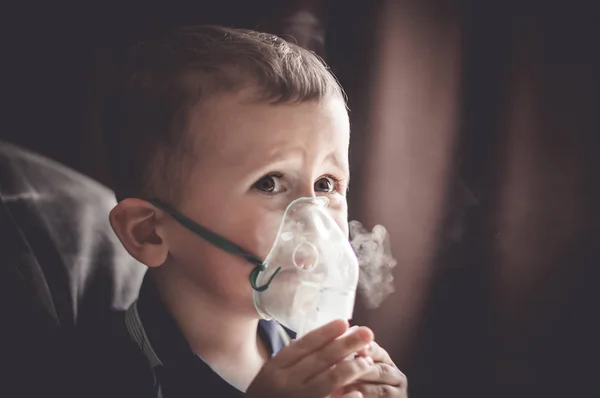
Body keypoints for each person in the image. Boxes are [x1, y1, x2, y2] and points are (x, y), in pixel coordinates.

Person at [78, 25, 407, 398]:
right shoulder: (109, 376)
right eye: (269, 183)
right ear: (149, 232)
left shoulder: (297, 350)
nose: (313, 219)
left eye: (325, 185)